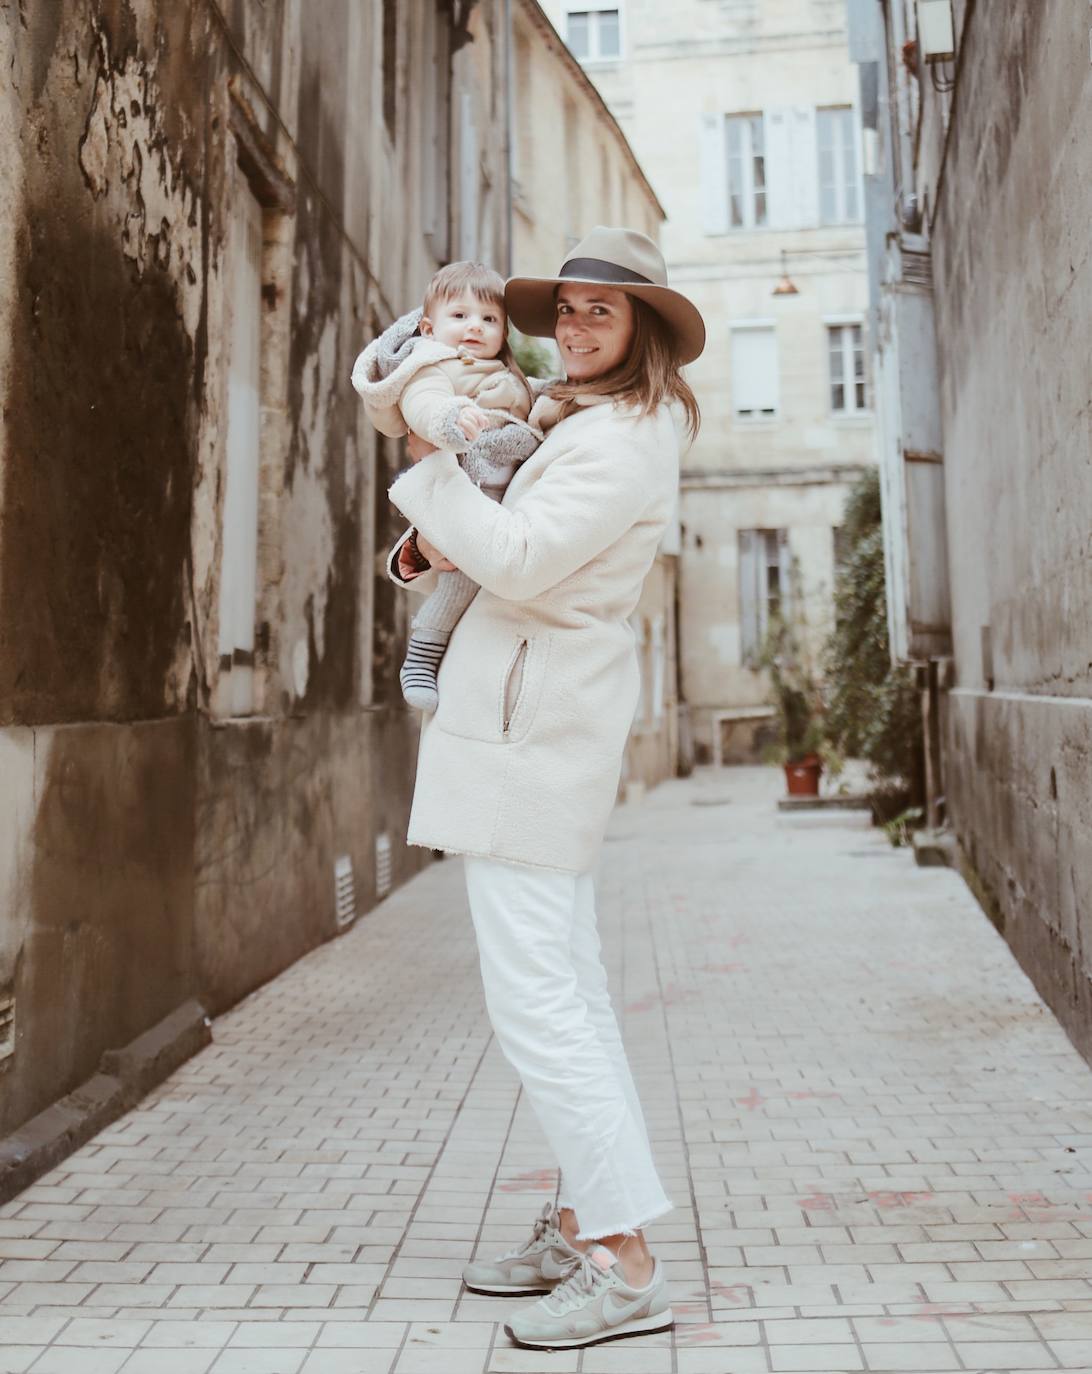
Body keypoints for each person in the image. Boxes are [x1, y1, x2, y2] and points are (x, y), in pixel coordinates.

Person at [385, 226, 704, 1352]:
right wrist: (426, 546)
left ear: (643, 331)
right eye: (565, 309)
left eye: (598, 312)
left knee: (540, 1003)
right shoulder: (576, 419)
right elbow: (493, 546)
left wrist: (426, 461)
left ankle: (624, 1264)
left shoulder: (624, 436)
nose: (572, 326)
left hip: (533, 735)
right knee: (569, 993)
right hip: (528, 725)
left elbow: (519, 560)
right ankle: (583, 1226)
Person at [351, 262, 540, 712]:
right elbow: (424, 404)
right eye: (460, 316)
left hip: (497, 493)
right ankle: (422, 652)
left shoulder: (504, 374)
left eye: (489, 318)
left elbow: (532, 407)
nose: (475, 326)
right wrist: (449, 420)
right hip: (464, 487)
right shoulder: (432, 365)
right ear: (428, 328)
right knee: (460, 581)